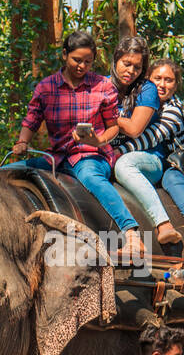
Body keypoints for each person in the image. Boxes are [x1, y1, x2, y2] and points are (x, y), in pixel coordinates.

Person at [13, 30, 146, 258]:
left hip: (91, 156)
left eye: (88, 62)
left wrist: (99, 140)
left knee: (91, 179)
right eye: (77, 60)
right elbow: (32, 119)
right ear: (64, 55)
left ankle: (132, 234)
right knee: (7, 172)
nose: (82, 66)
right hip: (56, 157)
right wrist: (22, 142)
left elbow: (113, 125)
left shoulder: (103, 87)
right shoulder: (46, 87)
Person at [109, 58, 184, 255]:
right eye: (157, 78)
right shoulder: (142, 100)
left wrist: (119, 152)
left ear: (176, 85)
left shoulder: (173, 108)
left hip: (174, 163)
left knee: (174, 181)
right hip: (151, 159)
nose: (162, 84)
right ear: (148, 79)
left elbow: (152, 137)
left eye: (169, 80)